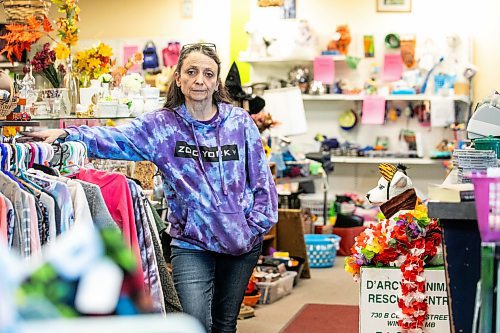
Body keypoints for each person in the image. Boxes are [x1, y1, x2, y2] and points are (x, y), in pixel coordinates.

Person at [26, 43, 278, 333]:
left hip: (240, 244)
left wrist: (252, 227)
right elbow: (115, 138)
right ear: (179, 78)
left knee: (224, 325)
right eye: (192, 72)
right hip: (192, 243)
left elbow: (261, 180)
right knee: (196, 324)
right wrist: (68, 133)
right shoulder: (162, 126)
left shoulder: (239, 123)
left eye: (208, 74)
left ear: (216, 81)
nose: (200, 80)